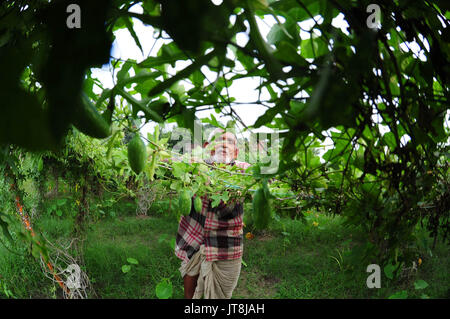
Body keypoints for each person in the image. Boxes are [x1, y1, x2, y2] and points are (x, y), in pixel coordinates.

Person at [174, 128, 250, 299]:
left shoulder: (242, 170)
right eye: (219, 139)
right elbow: (170, 162)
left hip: (226, 244)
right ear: (208, 147)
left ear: (236, 152)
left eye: (230, 142)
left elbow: (261, 173)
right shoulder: (194, 166)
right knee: (190, 280)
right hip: (192, 235)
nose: (224, 143)